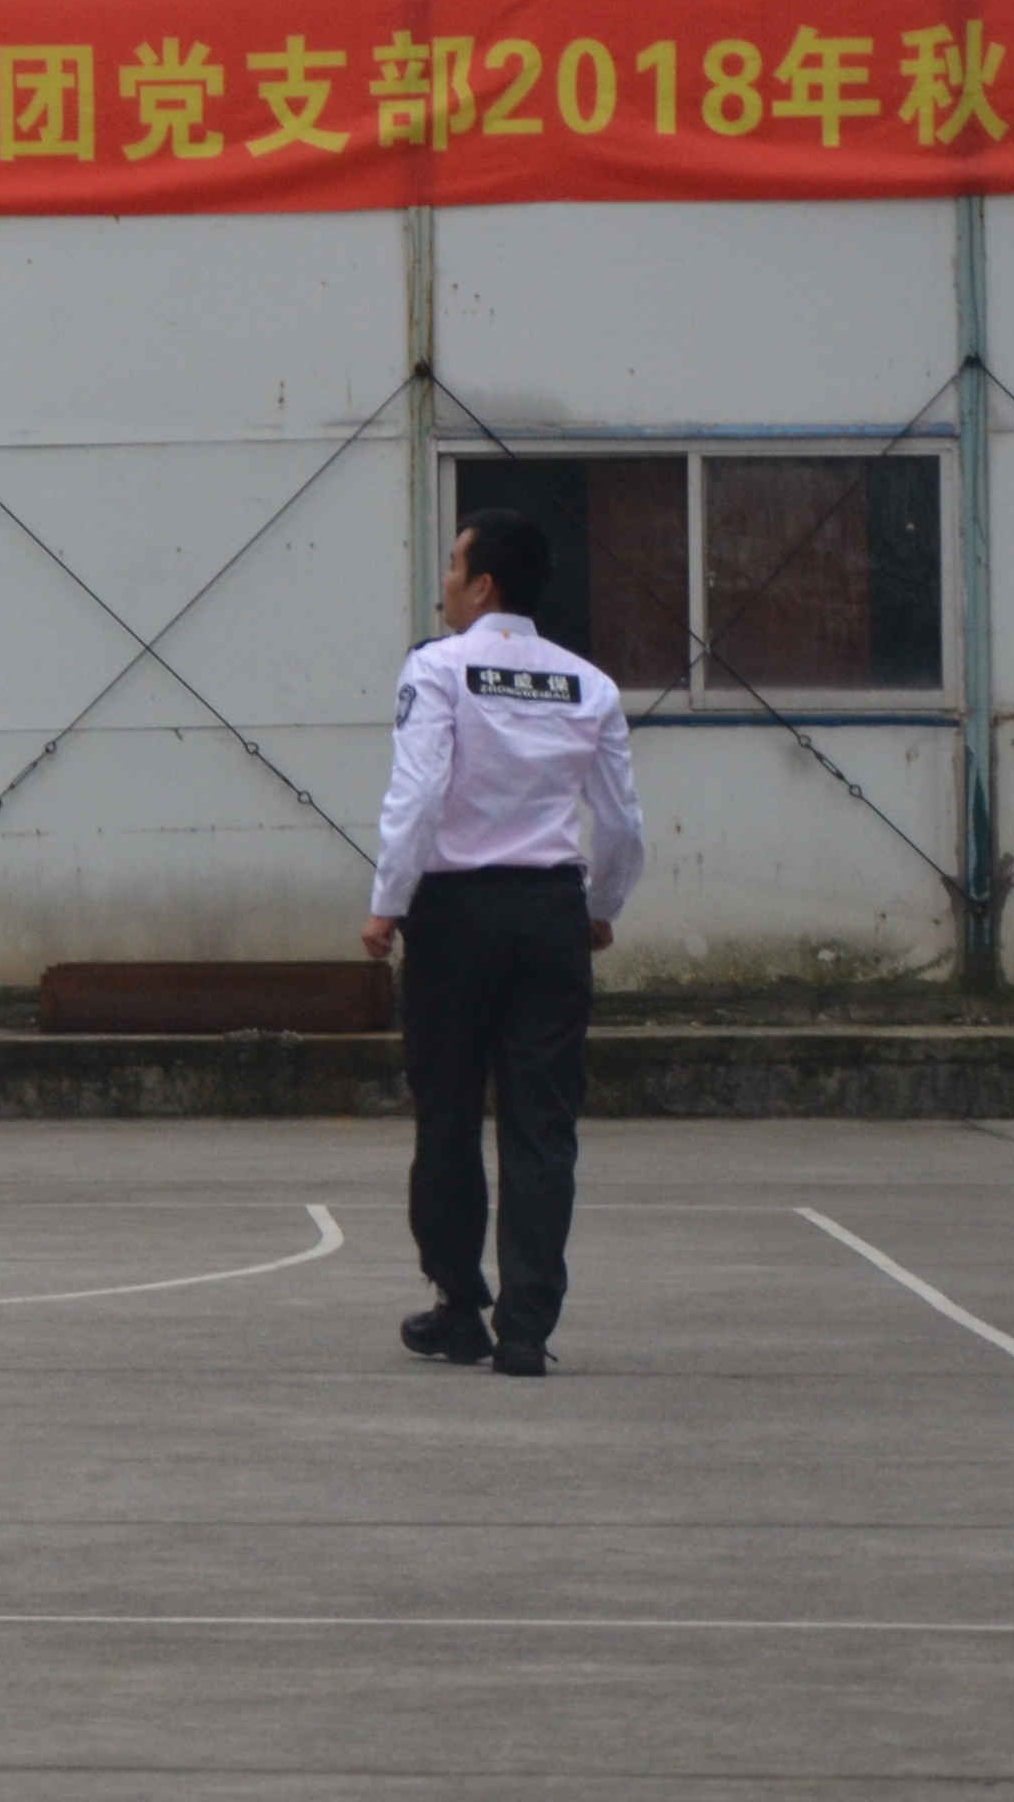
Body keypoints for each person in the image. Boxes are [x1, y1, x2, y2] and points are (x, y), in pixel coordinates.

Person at [365, 507, 641, 1381]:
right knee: (541, 1124)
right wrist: (600, 906)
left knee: (448, 1114)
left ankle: (459, 1307)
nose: (445, 585)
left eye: (454, 568)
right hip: (551, 915)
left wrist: (387, 902)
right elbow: (623, 825)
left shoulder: (438, 668)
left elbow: (418, 793)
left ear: (484, 585)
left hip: (454, 915)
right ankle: (526, 1328)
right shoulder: (589, 685)